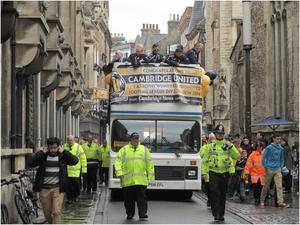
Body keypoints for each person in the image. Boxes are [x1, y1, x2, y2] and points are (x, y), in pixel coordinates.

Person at [28, 137, 78, 224]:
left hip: (57, 188)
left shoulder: (62, 156)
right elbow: (30, 163)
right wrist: (41, 153)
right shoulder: (43, 156)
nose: (53, 150)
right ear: (48, 147)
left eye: (55, 148)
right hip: (44, 189)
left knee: (56, 212)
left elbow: (75, 161)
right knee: (47, 213)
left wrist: (64, 152)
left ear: (58, 147)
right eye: (51, 148)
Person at [201, 125, 240, 221]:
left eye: (221, 133)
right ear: (215, 134)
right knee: (214, 192)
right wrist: (204, 173)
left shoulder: (227, 145)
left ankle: (221, 214)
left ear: (223, 135)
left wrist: (231, 147)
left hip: (224, 173)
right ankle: (216, 213)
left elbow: (237, 156)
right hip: (213, 172)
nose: (219, 135)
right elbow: (205, 160)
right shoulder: (209, 146)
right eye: (218, 133)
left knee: (222, 194)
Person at [114, 132, 155, 221]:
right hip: (127, 181)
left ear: (138, 140)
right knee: (129, 200)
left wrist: (151, 178)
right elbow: (117, 162)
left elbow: (150, 164)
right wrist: (120, 174)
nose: (135, 140)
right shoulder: (124, 150)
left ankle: (142, 214)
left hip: (141, 180)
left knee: (142, 198)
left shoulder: (144, 150)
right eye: (134, 139)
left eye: (137, 139)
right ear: (131, 140)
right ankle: (130, 214)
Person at [259, 134, 289, 208]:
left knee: (279, 186)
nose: (279, 140)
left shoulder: (281, 148)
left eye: (280, 139)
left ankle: (280, 202)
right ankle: (262, 200)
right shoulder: (269, 148)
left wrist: (281, 166)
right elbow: (264, 158)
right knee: (266, 186)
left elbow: (282, 158)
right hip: (269, 169)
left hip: (277, 169)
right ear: (274, 139)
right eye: (278, 139)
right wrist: (266, 166)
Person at [63, 135, 87, 204]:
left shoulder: (78, 147)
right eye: (68, 140)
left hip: (76, 171)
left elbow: (83, 159)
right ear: (66, 140)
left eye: (71, 140)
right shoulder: (64, 147)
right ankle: (69, 198)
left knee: (76, 185)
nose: (69, 142)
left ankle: (76, 196)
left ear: (73, 140)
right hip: (67, 170)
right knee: (68, 186)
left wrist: (84, 170)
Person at [200, 132, 216, 208]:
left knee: (213, 188)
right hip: (206, 171)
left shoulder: (217, 147)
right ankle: (209, 199)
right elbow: (200, 156)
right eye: (211, 138)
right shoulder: (204, 147)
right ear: (208, 139)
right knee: (207, 188)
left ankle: (212, 200)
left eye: (213, 138)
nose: (212, 140)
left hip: (214, 171)